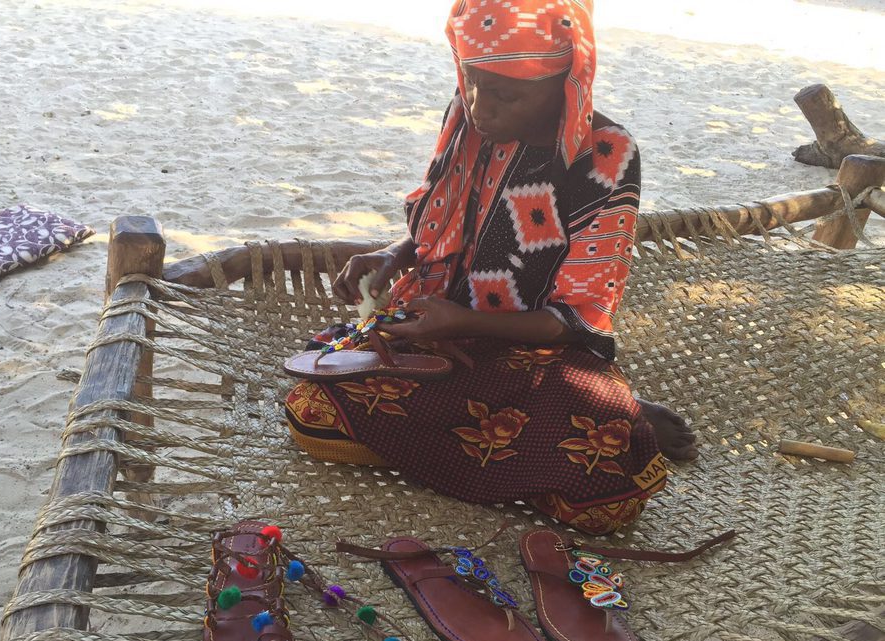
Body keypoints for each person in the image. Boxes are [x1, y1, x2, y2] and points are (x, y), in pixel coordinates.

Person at [284, 0, 697, 535]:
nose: (481, 107)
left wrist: (465, 322)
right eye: (472, 82)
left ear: (566, 79)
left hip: (537, 354)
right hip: (440, 334)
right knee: (312, 402)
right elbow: (447, 226)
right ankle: (585, 424)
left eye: (507, 94)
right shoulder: (467, 119)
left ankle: (623, 409)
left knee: (608, 482)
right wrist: (394, 255)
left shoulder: (604, 155)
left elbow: (577, 317)